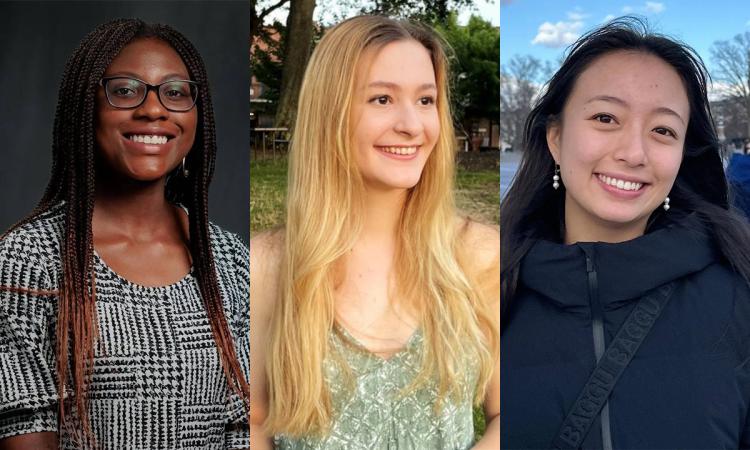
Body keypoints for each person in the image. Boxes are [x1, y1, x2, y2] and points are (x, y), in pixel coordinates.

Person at [249, 15, 500, 450]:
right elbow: (249, 422)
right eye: (382, 99)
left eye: (426, 101)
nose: (412, 124)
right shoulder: (264, 267)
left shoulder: (478, 256)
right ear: (330, 113)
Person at [501, 17, 750, 449]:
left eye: (663, 131)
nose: (634, 153)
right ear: (556, 138)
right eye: (605, 117)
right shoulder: (488, 289)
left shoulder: (738, 293)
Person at [0, 19, 249, 449]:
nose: (154, 109)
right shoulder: (29, 259)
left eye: (175, 92)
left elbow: (245, 428)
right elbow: (24, 432)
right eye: (126, 90)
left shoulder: (230, 260)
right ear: (86, 107)